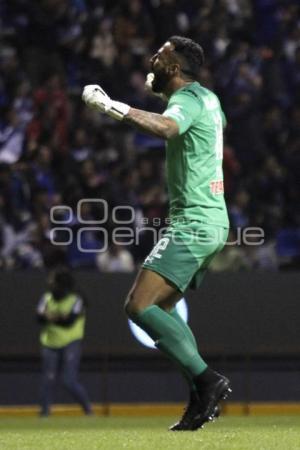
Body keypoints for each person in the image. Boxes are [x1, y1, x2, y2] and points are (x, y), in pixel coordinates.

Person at [82, 35, 231, 431]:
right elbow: (196, 119)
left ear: (178, 68)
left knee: (138, 306)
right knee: (161, 310)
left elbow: (168, 128)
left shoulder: (187, 101)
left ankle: (207, 380)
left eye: (163, 55)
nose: (154, 58)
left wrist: (112, 106)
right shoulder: (209, 100)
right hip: (212, 219)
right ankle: (201, 397)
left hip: (194, 221)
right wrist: (166, 93)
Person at [36, 266, 92, 417]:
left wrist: (51, 317)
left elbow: (69, 321)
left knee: (69, 380)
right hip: (50, 343)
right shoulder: (47, 297)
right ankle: (44, 413)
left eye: (52, 280)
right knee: (48, 379)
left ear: (60, 283)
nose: (49, 282)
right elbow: (39, 317)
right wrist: (59, 317)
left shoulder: (76, 299)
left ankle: (88, 410)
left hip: (71, 342)